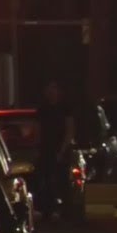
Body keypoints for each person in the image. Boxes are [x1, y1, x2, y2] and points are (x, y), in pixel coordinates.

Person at [36, 82, 75, 220]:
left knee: (63, 181)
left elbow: (69, 130)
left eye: (54, 90)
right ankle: (47, 210)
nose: (51, 93)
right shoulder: (43, 109)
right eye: (49, 90)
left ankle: (67, 212)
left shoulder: (65, 108)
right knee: (46, 181)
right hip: (46, 149)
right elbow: (39, 130)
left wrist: (62, 150)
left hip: (61, 149)